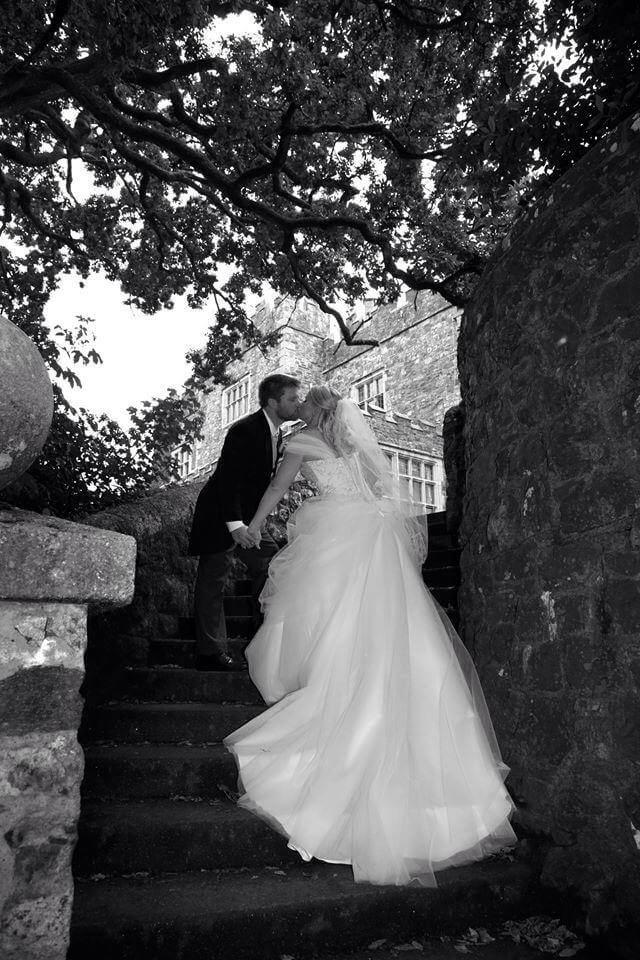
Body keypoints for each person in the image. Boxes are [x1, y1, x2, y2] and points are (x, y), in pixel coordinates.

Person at [224, 384, 516, 885]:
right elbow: (378, 490)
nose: (297, 411)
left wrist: (252, 526)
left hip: (338, 531)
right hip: (370, 529)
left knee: (329, 613)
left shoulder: (299, 444)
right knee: (385, 617)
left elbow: (276, 491)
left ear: (313, 410)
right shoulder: (353, 445)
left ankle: (333, 688)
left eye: (303, 404)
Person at [187, 373, 302, 671]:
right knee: (213, 580)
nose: (297, 403)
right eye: (292, 398)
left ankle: (263, 641)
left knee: (272, 566)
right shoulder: (245, 430)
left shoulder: (275, 432)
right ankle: (209, 653)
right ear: (273, 401)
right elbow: (228, 480)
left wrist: (255, 523)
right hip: (220, 516)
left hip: (249, 520)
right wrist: (236, 526)